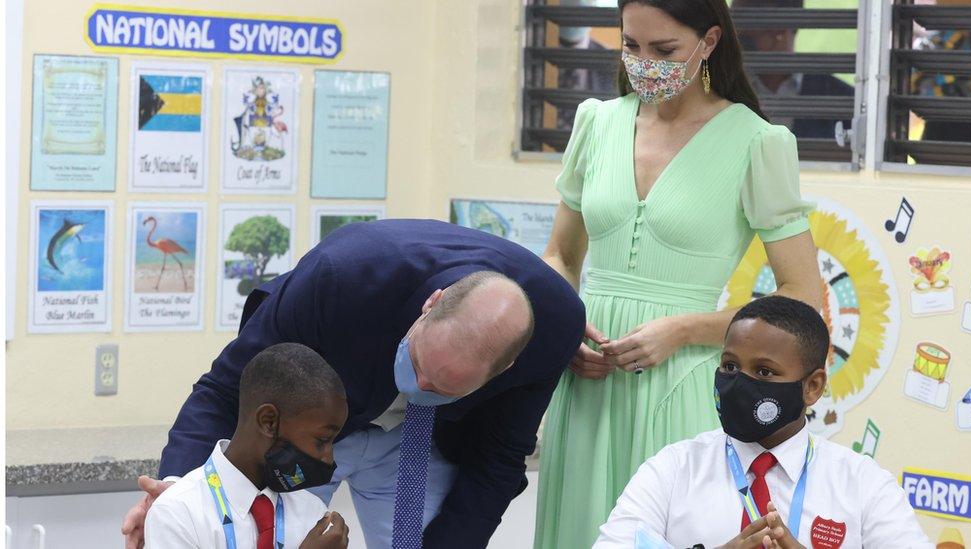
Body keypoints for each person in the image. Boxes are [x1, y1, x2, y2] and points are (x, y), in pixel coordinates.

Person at [535, 1, 822, 547]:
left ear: (709, 42)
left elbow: (802, 297)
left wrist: (685, 330)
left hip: (682, 379)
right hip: (587, 378)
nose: (644, 63)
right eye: (630, 46)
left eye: (663, 50)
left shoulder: (757, 142)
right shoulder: (595, 122)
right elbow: (562, 256)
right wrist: (563, 325)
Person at [123, 219, 586, 549]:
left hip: (421, 442)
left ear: (503, 370)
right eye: (421, 363)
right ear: (432, 304)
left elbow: (499, 460)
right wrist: (177, 492)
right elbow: (228, 387)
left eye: (443, 387)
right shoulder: (342, 275)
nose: (421, 385)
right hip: (313, 433)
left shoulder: (553, 331)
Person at [594, 296, 933, 548]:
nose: (739, 383)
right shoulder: (673, 468)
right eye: (729, 366)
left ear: (812, 387)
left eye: (764, 371)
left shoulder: (863, 485)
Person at [144, 343, 350, 548]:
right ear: (268, 422)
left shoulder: (312, 512)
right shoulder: (177, 513)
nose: (329, 458)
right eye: (322, 440)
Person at [732, 0, 855, 139]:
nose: (734, 34)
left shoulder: (842, 101)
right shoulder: (723, 92)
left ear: (780, 28)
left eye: (743, 25)